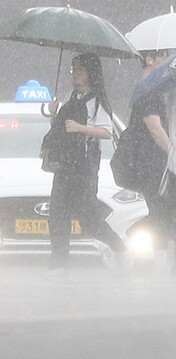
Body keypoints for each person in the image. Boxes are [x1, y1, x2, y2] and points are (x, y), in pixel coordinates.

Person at [47, 53, 127, 268]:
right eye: (74, 70)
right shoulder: (71, 96)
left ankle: (119, 248)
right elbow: (62, 130)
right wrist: (54, 116)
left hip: (84, 168)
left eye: (80, 70)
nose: (76, 74)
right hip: (64, 164)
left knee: (88, 218)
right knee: (57, 214)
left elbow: (106, 132)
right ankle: (60, 264)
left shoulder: (97, 101)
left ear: (91, 73)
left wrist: (80, 128)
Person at [129, 50, 173, 260]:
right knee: (161, 210)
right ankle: (159, 255)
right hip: (151, 162)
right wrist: (174, 154)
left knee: (160, 210)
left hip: (144, 160)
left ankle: (160, 254)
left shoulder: (146, 89)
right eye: (163, 59)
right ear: (149, 60)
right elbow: (155, 129)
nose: (167, 64)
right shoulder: (149, 92)